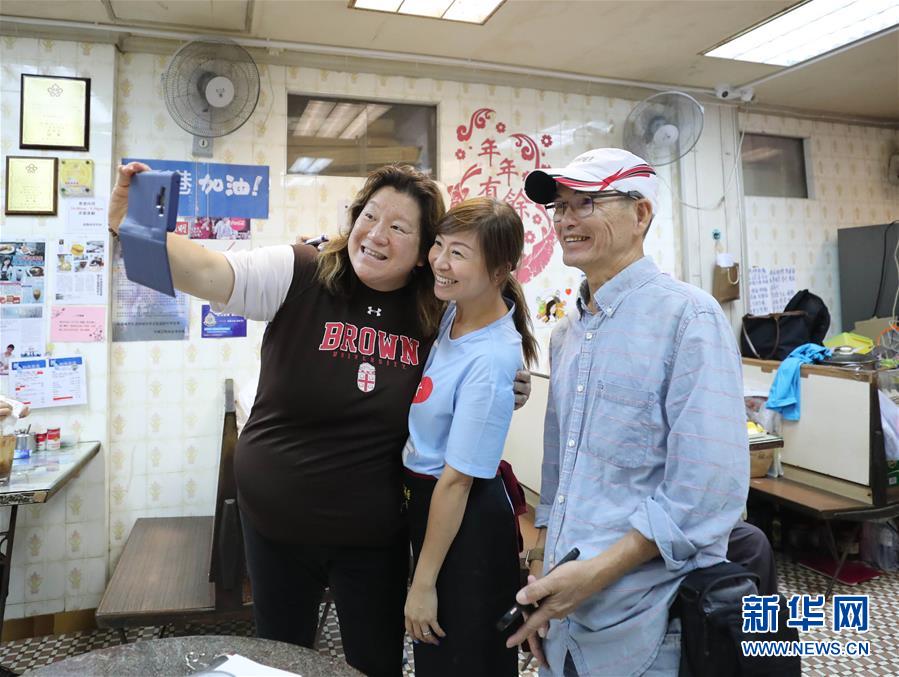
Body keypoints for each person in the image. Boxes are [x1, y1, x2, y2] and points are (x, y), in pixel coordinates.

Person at [107, 162, 530, 677]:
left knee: (374, 664)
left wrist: (511, 386)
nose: (376, 235)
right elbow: (208, 271)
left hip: (373, 534)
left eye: (399, 227)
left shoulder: (433, 307)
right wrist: (130, 225)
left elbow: (474, 353)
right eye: (369, 216)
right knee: (281, 659)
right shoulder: (302, 271)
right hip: (275, 527)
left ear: (424, 251)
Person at [507, 148, 749, 676]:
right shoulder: (566, 334)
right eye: (560, 207)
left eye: (586, 203)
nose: (566, 220)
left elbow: (708, 490)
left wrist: (594, 576)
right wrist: (541, 563)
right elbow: (559, 469)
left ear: (640, 214)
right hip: (562, 616)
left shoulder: (689, 318)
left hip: (646, 623)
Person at [402, 198, 538, 676]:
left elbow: (457, 481)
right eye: (439, 245)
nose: (440, 261)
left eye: (458, 253)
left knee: (462, 660)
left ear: (500, 270)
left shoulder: (492, 357)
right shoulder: (452, 312)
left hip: (466, 522)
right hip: (437, 509)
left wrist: (423, 583)